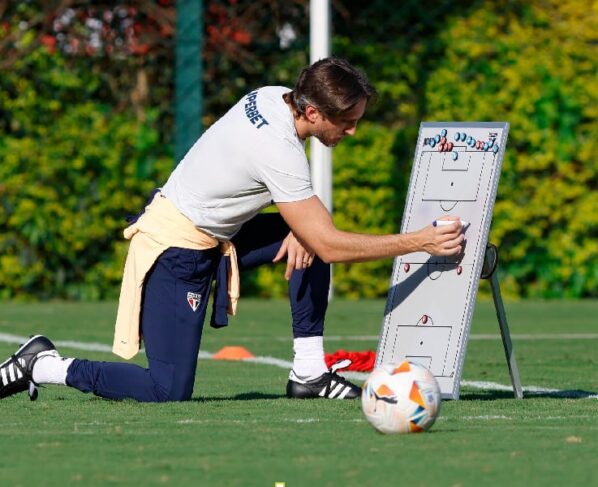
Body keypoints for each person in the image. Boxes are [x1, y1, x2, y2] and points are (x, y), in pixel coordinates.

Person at [0, 57, 464, 403]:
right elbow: (330, 244)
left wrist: (302, 231)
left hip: (218, 236)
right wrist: (419, 241)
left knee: (308, 233)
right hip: (175, 249)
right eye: (348, 122)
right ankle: (44, 365)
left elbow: (313, 227)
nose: (354, 132)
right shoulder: (278, 149)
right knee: (166, 390)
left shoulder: (273, 96)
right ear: (314, 114)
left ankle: (308, 373)